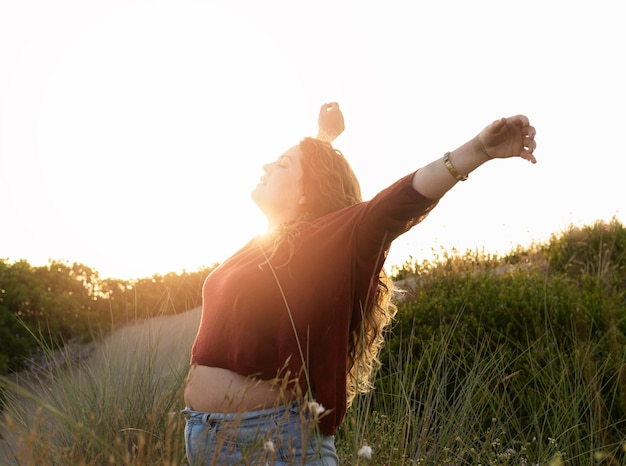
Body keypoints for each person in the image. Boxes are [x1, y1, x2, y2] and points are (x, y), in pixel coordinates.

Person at [182, 102, 538, 465]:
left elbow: (399, 201)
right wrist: (323, 139)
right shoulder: (265, 246)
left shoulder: (329, 240)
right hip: (207, 438)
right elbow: (316, 173)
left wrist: (477, 150)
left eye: (282, 165)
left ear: (307, 191)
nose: (266, 166)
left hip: (276, 442)